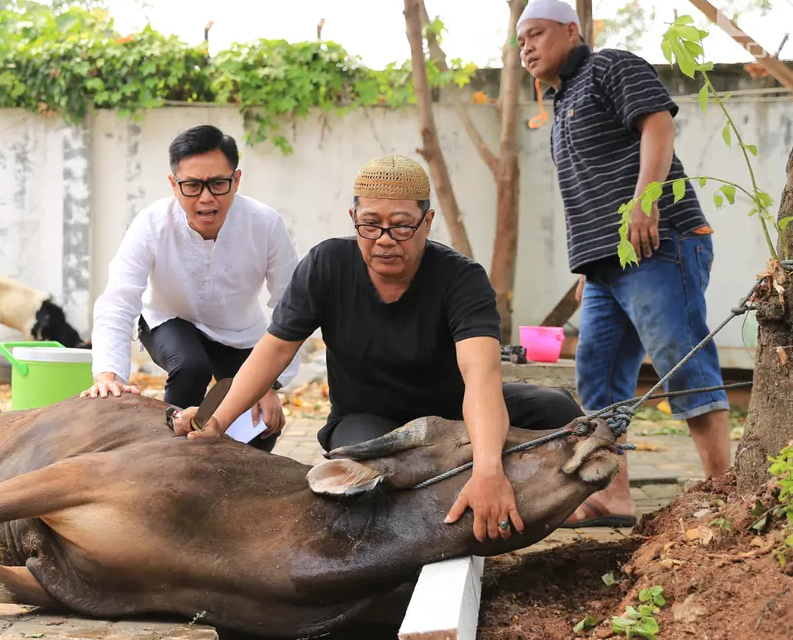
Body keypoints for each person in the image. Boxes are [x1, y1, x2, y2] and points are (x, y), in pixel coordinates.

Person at [173, 156, 596, 543]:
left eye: (402, 225)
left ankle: (509, 486)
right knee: (365, 470)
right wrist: (217, 422)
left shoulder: (461, 278)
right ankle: (454, 482)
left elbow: (481, 376)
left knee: (560, 412)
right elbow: (274, 351)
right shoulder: (327, 266)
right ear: (353, 218)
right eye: (370, 224)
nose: (384, 240)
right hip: (367, 419)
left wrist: (489, 468)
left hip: (454, 413)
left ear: (427, 222)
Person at [517, 0, 729, 528]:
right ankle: (611, 497)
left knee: (681, 361)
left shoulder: (611, 65)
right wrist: (591, 270)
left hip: (659, 243)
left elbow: (658, 126)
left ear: (571, 31)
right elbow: (586, 194)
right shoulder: (562, 105)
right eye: (521, 42)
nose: (527, 49)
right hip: (607, 266)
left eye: (537, 35)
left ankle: (725, 492)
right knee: (598, 380)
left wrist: (645, 201)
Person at [80, 124, 300, 451]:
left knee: (262, 422)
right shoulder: (151, 224)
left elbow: (290, 305)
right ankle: (168, 455)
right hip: (168, 320)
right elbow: (118, 300)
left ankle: (224, 473)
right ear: (173, 184)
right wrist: (108, 375)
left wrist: (268, 384)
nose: (206, 198)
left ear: (236, 180)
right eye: (193, 186)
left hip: (239, 333)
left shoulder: (265, 223)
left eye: (218, 184)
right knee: (191, 367)